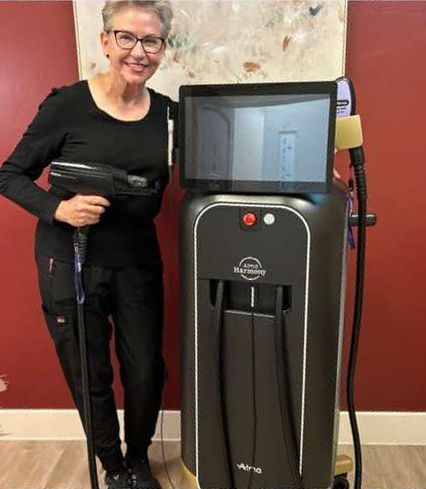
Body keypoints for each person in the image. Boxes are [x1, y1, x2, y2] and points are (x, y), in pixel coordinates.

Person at [0, 1, 176, 488]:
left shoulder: (168, 113)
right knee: (88, 369)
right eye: (127, 38)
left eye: (151, 41)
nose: (138, 52)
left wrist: (307, 162)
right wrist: (57, 209)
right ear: (105, 41)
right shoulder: (67, 105)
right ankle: (113, 466)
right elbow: (9, 174)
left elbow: (228, 145)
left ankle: (137, 456)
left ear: (163, 48)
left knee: (145, 370)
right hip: (70, 258)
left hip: (137, 259)